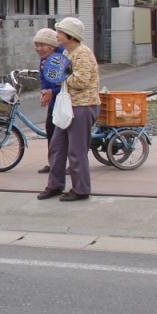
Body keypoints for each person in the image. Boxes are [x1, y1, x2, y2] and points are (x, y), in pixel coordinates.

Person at [38, 17, 100, 202]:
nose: (56, 35)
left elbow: (81, 81)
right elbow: (55, 76)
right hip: (68, 106)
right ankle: (55, 185)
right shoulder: (66, 53)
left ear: (70, 35)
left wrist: (62, 76)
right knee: (57, 147)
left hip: (83, 105)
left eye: (60, 32)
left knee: (76, 150)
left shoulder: (83, 53)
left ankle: (81, 189)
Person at [33, 28, 69, 175]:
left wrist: (51, 92)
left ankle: (69, 165)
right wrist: (44, 90)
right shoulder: (45, 59)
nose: (38, 49)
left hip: (66, 102)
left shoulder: (63, 57)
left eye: (42, 45)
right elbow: (43, 77)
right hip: (54, 102)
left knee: (65, 134)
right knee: (51, 131)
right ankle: (53, 163)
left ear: (52, 45)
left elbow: (66, 83)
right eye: (36, 45)